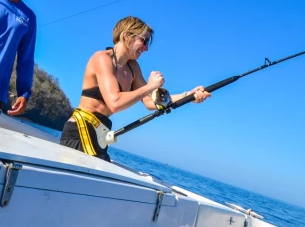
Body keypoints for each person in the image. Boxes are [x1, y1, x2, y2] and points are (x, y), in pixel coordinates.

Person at [60, 16, 211, 161]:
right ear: (127, 36)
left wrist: (189, 96)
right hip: (80, 131)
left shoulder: (133, 68)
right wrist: (151, 85)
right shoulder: (102, 59)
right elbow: (115, 103)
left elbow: (152, 102)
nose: (146, 48)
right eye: (144, 41)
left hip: (101, 135)